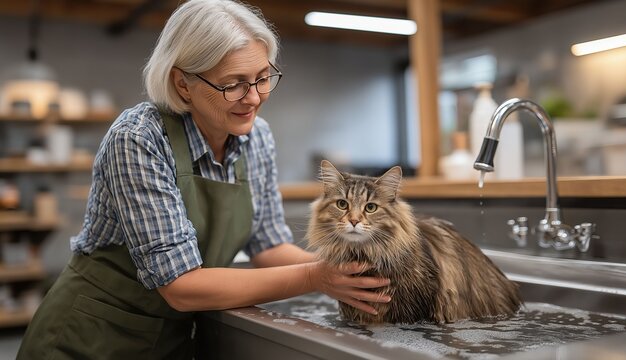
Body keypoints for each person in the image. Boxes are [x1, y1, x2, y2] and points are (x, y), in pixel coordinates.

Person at [17, 0, 391, 358]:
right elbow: (182, 286)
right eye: (234, 84)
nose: (254, 97)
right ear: (182, 84)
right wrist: (317, 277)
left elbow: (268, 245)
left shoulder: (256, 137)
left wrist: (353, 272)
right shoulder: (139, 139)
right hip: (90, 337)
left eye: (263, 78)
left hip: (171, 339)